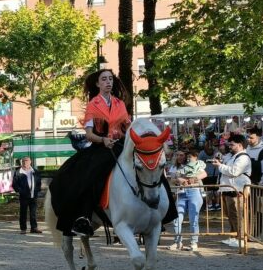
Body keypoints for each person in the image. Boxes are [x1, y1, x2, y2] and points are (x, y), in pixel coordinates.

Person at [51, 69, 176, 236]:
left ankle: (161, 214)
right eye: (104, 79)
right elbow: (88, 134)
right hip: (100, 147)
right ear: (97, 84)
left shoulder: (120, 104)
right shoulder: (93, 104)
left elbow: (128, 128)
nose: (108, 82)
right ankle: (84, 217)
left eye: (110, 79)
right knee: (88, 176)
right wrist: (103, 139)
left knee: (151, 167)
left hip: (121, 145)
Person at [211, 134, 251, 248]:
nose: (230, 147)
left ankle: (241, 238)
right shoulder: (232, 156)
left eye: (232, 145)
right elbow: (226, 166)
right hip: (229, 189)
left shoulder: (243, 157)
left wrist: (220, 166)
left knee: (238, 215)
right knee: (231, 215)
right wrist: (220, 162)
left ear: (240, 145)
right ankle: (234, 236)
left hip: (238, 190)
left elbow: (234, 171)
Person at [168, 149, 207, 251]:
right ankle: (178, 242)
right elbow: (173, 179)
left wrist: (193, 179)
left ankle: (193, 242)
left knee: (193, 218)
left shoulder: (196, 164)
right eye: (177, 155)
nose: (180, 157)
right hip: (181, 193)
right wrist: (179, 180)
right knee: (176, 219)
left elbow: (204, 174)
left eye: (182, 155)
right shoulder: (176, 167)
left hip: (194, 191)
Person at [12, 156, 42, 234]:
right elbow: (14, 184)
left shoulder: (35, 171)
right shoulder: (18, 172)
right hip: (24, 196)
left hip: (33, 195)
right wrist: (20, 191)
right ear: (21, 162)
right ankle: (23, 229)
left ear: (30, 161)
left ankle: (34, 228)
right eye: (23, 161)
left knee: (33, 213)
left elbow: (38, 182)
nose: (25, 162)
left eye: (27, 160)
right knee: (23, 213)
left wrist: (37, 190)